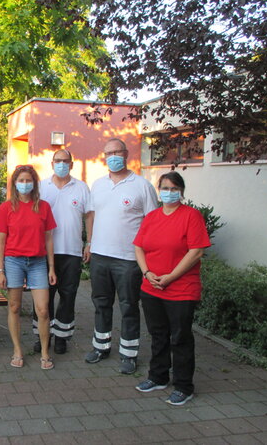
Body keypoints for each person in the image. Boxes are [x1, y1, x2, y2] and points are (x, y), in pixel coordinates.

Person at [134, 171, 210, 405]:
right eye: (165, 188)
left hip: (181, 289)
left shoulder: (191, 216)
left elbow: (196, 251)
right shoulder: (152, 217)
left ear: (181, 192)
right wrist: (147, 272)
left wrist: (170, 277)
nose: (169, 192)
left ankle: (184, 386)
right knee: (158, 335)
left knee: (180, 338)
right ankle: (158, 377)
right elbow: (138, 247)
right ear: (159, 191)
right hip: (151, 287)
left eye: (174, 189)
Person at [86, 138, 158, 374]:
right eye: (109, 153)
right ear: (104, 157)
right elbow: (92, 217)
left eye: (118, 152)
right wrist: (89, 243)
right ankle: (101, 346)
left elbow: (152, 222)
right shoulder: (97, 185)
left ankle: (129, 353)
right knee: (101, 304)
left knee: (128, 306)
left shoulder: (141, 185)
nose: (113, 156)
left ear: (126, 154)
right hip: (99, 256)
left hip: (128, 259)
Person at [0, 165, 57, 370]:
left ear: (34, 183)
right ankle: (17, 350)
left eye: (29, 180)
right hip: (13, 261)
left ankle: (45, 353)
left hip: (38, 262)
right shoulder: (6, 208)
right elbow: (0, 241)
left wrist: (51, 268)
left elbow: (48, 239)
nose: (25, 184)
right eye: (21, 180)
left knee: (43, 310)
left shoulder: (43, 207)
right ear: (14, 183)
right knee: (14, 307)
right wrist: (0, 270)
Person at [33, 149, 92, 354]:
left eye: (65, 161)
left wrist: (89, 243)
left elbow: (89, 216)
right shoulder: (41, 187)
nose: (61, 164)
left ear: (71, 164)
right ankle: (42, 335)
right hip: (43, 252)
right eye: (57, 161)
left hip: (72, 252)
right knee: (43, 296)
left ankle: (62, 337)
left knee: (68, 296)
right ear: (52, 164)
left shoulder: (82, 188)